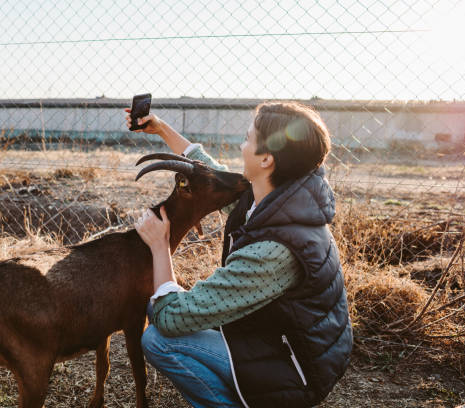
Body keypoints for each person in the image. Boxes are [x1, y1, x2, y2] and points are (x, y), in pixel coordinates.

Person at [125, 101, 352, 408]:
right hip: (280, 338)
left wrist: (159, 245)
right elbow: (211, 172)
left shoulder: (273, 252)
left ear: (267, 159)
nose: (241, 145)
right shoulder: (280, 199)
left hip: (296, 370)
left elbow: (170, 318)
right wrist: (161, 128)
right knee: (158, 310)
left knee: (158, 339)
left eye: (248, 138)